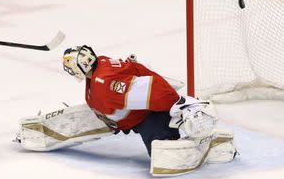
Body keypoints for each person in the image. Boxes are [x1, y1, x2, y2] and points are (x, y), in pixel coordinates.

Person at [61, 45, 217, 155]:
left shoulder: (103, 84)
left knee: (165, 154)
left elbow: (150, 89)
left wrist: (178, 102)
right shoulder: (101, 63)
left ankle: (190, 110)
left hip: (146, 116)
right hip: (128, 115)